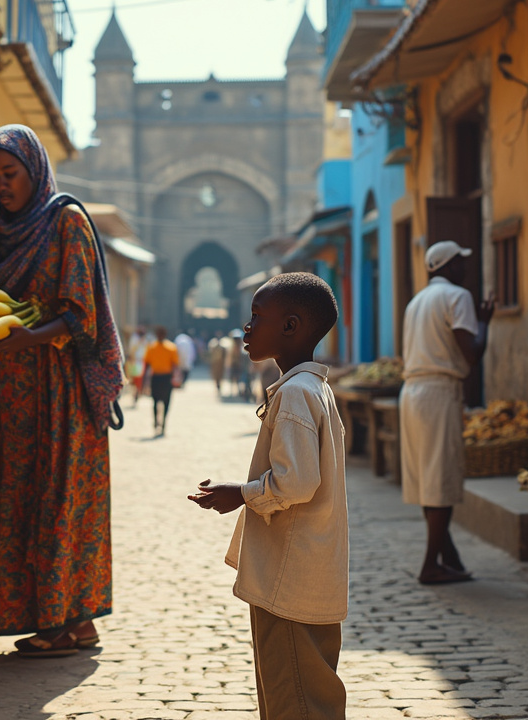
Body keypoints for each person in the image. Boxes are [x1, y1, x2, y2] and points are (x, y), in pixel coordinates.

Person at [0, 124, 124, 657]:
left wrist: (28, 340)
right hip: (14, 393)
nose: (2, 187)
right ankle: (75, 624)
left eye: (10, 174)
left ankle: (60, 623)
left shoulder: (67, 222)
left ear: (33, 168)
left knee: (60, 497)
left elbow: (81, 314)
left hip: (62, 391)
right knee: (21, 495)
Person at [190, 272, 348, 720]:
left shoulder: (297, 394)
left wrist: (239, 494)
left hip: (291, 576)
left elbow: (296, 483)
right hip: (308, 572)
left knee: (294, 699)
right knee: (309, 691)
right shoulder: (311, 387)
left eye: (258, 317)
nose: (246, 327)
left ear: (291, 327)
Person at [399, 240, 495, 585]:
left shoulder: (416, 302)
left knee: (429, 477)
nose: (464, 268)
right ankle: (430, 565)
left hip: (412, 392)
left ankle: (448, 556)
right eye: (460, 262)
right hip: (439, 392)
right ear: (448, 266)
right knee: (439, 478)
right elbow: (471, 353)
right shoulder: (458, 297)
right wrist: (484, 323)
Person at [143, 326, 180, 436]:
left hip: (166, 377)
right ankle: (156, 421)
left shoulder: (171, 348)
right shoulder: (151, 347)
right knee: (155, 401)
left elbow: (175, 365)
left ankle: (163, 423)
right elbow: (147, 364)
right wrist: (145, 379)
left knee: (166, 402)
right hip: (156, 377)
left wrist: (176, 377)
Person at [126, 324, 151, 407]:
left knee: (140, 381)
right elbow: (132, 350)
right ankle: (135, 395)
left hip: (142, 362)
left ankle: (137, 394)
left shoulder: (145, 339)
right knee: (135, 381)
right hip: (135, 362)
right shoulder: (135, 339)